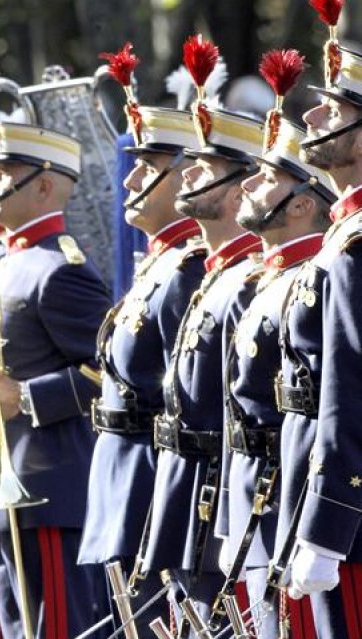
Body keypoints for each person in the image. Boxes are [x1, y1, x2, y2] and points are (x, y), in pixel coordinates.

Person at [0, 115, 112, 638]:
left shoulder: (61, 267)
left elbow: (108, 371)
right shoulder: (5, 261)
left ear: (45, 186)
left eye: (3, 175)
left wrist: (26, 397)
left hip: (48, 486)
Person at [78, 100, 206, 636]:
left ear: (190, 175)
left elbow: (192, 405)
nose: (130, 177)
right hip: (123, 487)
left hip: (155, 490)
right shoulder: (160, 264)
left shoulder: (189, 269)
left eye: (150, 167)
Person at [142, 74, 265, 629]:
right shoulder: (212, 274)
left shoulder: (246, 282)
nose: (186, 174)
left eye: (205, 168)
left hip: (219, 495)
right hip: (185, 490)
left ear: (242, 190)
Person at [217, 112, 334, 637]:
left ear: (303, 204)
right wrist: (228, 517)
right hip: (255, 501)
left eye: (268, 179)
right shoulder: (268, 281)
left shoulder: (311, 281)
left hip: (284, 496)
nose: (248, 184)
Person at [279, 43, 362, 634]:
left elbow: (349, 387)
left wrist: (329, 527)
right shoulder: (345, 235)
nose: (310, 116)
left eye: (332, 110)